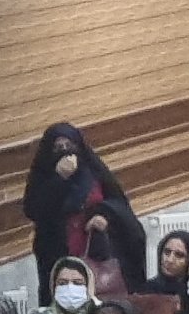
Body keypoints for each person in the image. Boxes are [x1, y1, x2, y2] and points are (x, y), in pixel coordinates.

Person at [24, 120, 145, 282]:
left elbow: (118, 202)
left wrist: (104, 216)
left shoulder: (94, 171)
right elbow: (33, 210)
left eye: (69, 145)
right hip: (57, 256)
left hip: (98, 254)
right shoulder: (43, 176)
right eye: (58, 148)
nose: (65, 151)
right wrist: (60, 179)